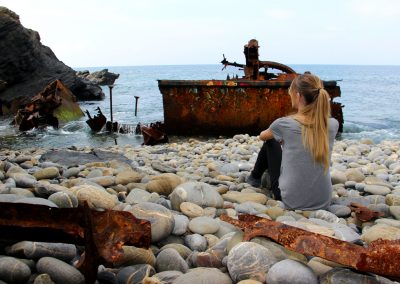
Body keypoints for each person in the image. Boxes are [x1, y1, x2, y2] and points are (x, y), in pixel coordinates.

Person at [246, 73, 339, 210]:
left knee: (270, 143)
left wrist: (283, 138)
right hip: (323, 200)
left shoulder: (284, 124)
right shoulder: (332, 124)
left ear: (298, 96)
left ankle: (254, 177)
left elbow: (262, 136)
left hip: (291, 200)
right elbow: (309, 136)